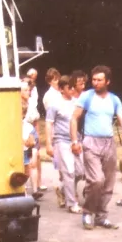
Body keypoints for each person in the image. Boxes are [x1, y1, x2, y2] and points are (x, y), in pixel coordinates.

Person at [70, 65, 122, 230]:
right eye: (94, 79)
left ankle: (101, 216)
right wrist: (74, 141)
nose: (96, 83)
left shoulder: (114, 99)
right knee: (96, 180)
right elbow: (74, 118)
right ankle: (87, 212)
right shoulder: (86, 97)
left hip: (108, 143)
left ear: (108, 81)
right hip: (90, 142)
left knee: (108, 182)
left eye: (99, 80)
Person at [46, 75, 81, 213]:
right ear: (61, 89)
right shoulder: (54, 104)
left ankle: (62, 189)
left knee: (80, 171)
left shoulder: (77, 102)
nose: (72, 89)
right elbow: (49, 124)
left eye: (73, 86)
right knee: (69, 172)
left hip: (76, 140)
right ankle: (72, 204)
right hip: (61, 140)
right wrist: (49, 144)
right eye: (69, 87)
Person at [21, 81, 43, 200]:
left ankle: (35, 189)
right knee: (22, 171)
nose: (28, 92)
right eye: (25, 90)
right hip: (18, 149)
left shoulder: (31, 104)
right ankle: (22, 192)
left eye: (28, 90)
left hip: (27, 143)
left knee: (30, 166)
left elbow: (35, 124)